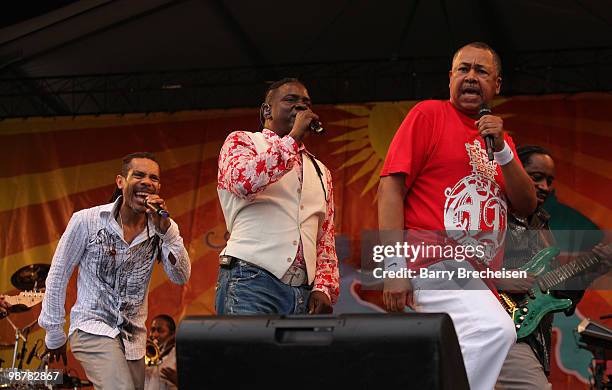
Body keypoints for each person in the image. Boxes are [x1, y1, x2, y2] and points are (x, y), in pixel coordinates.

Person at [377, 42, 537, 390]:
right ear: (450, 77)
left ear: (497, 84)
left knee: (472, 349)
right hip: (435, 260)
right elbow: (390, 190)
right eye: (462, 69)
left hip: (480, 278)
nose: (470, 77)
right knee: (494, 329)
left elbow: (526, 204)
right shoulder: (428, 114)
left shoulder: (499, 140)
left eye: (481, 71)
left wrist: (504, 151)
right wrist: (393, 267)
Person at [38, 152, 191, 390]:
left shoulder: (162, 229)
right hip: (92, 326)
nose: (147, 182)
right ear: (120, 181)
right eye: (138, 175)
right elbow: (58, 274)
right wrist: (54, 331)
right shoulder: (87, 221)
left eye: (154, 178)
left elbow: (180, 276)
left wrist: (167, 232)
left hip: (133, 340)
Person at [216, 77, 339, 315]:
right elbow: (242, 182)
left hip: (303, 292)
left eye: (306, 103)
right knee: (248, 353)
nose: (301, 107)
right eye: (291, 100)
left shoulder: (321, 171)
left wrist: (324, 287)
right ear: (267, 110)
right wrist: (292, 140)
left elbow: (325, 236)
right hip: (250, 279)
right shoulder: (242, 141)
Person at [496, 145, 611, 390]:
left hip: (532, 337)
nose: (545, 187)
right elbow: (457, 264)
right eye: (536, 178)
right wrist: (499, 280)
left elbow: (558, 291)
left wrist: (596, 266)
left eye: (549, 180)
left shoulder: (541, 224)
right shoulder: (491, 213)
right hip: (495, 326)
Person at [145, 314, 178, 390]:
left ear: (172, 334)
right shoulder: (145, 355)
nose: (155, 334)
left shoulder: (179, 356)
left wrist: (179, 381)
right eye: (152, 330)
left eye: (161, 331)